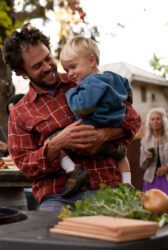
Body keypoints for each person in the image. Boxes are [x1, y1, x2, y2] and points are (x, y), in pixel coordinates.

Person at [2, 23, 141, 212]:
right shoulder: (20, 113)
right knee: (53, 236)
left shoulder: (84, 80)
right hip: (59, 197)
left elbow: (133, 120)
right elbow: (25, 165)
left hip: (107, 186)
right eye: (37, 66)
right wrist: (55, 145)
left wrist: (104, 135)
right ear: (22, 73)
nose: (47, 67)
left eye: (47, 58)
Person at [56, 36, 133, 197]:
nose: (69, 74)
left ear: (91, 61)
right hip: (112, 128)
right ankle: (127, 182)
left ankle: (73, 170)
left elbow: (83, 107)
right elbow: (128, 90)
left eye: (73, 67)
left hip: (91, 129)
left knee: (55, 142)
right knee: (120, 155)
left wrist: (71, 94)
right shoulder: (113, 77)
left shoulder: (92, 83)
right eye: (66, 70)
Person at [140, 108, 168, 194]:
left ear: (163, 121)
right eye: (152, 119)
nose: (155, 121)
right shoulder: (145, 141)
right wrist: (148, 158)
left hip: (166, 180)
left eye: (158, 119)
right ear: (149, 122)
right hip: (150, 180)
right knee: (151, 206)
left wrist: (167, 168)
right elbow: (142, 165)